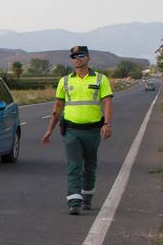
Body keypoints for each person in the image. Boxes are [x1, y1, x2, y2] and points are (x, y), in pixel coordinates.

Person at [40, 46, 113, 214]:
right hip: (71, 130)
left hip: (93, 130)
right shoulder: (65, 81)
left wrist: (107, 124)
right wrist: (49, 129)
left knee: (89, 165)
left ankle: (87, 197)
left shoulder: (100, 79)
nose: (77, 58)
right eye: (73, 56)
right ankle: (74, 201)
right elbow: (58, 106)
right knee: (74, 165)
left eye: (81, 55)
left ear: (88, 57)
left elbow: (108, 102)